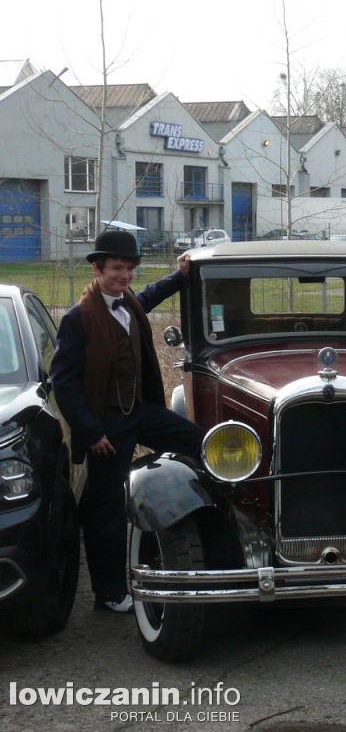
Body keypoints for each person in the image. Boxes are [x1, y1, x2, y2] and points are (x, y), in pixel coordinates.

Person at [51, 229, 204, 613]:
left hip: (140, 411)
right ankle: (109, 593)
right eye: (117, 268)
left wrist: (180, 274)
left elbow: (149, 295)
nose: (125, 275)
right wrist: (91, 431)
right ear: (98, 268)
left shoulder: (129, 302)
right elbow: (64, 384)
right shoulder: (77, 318)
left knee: (202, 444)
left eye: (130, 268)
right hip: (106, 424)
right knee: (105, 509)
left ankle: (201, 538)